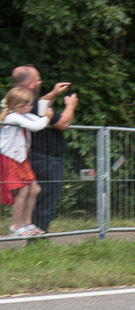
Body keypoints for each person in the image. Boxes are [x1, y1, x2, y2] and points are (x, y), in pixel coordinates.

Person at [12, 66, 75, 233]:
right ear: (29, 84)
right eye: (38, 79)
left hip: (34, 157)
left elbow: (39, 105)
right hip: (46, 158)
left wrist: (54, 93)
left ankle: (32, 233)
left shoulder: (16, 101)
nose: (41, 82)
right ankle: (37, 240)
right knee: (45, 201)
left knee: (36, 194)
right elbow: (63, 123)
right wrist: (70, 105)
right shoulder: (26, 104)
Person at [1, 87, 51, 236]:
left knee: (34, 189)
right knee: (23, 191)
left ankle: (27, 223)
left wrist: (45, 117)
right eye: (29, 104)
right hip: (11, 158)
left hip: (21, 158)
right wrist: (47, 117)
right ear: (18, 106)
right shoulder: (12, 117)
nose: (31, 107)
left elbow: (38, 121)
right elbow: (37, 126)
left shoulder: (22, 114)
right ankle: (16, 225)